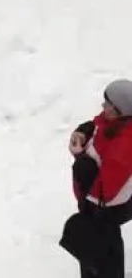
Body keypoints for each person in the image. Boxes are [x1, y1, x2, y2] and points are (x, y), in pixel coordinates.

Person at [66, 79, 132, 278]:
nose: (103, 107)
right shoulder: (116, 120)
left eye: (108, 104)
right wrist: (84, 130)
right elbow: (98, 122)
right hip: (98, 206)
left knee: (101, 256)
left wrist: (80, 158)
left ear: (120, 110)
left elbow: (103, 192)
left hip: (106, 208)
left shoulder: (124, 147)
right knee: (101, 248)